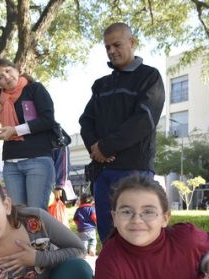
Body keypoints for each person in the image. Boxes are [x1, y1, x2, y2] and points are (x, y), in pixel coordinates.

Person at [79, 22, 165, 243]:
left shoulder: (149, 77)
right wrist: (95, 149)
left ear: (132, 42)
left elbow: (144, 120)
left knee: (137, 237)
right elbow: (86, 120)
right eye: (107, 47)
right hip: (102, 173)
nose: (111, 51)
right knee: (108, 238)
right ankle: (111, 278)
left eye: (116, 44)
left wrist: (107, 147)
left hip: (134, 171)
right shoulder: (101, 85)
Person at [0, 59, 57, 209]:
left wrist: (15, 130)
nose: (6, 76)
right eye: (0, 77)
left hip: (37, 160)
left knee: (34, 215)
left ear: (17, 69)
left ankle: (41, 235)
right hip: (11, 164)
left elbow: (47, 120)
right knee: (18, 215)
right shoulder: (2, 97)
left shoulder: (34, 89)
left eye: (8, 70)